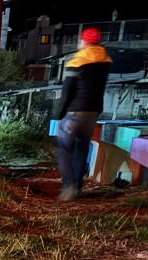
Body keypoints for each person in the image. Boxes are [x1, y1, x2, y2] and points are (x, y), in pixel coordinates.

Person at [56, 27, 112, 202]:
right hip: (92, 112)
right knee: (82, 149)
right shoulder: (106, 61)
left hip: (74, 112)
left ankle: (68, 187)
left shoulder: (76, 61)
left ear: (85, 42)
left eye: (80, 41)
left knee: (64, 149)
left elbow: (67, 91)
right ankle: (78, 188)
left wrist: (59, 112)